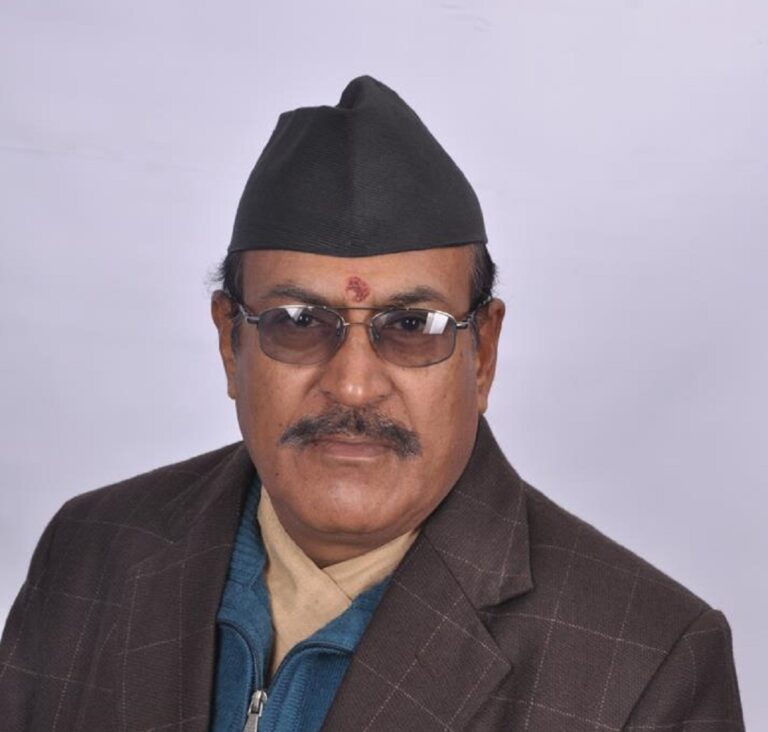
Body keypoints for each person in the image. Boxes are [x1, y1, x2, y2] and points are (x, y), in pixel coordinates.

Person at [0, 76, 744, 732]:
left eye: (413, 327)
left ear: (482, 353)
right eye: (298, 321)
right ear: (231, 342)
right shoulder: (91, 552)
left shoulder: (646, 666)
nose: (353, 385)